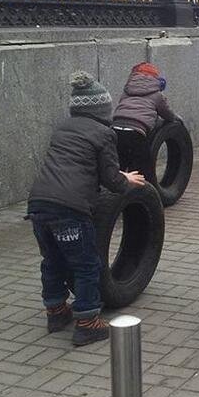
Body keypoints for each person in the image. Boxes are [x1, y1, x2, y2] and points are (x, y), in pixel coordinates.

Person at [27, 72, 145, 346]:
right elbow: (111, 180)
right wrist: (126, 180)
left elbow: (71, 165)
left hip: (39, 204)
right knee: (87, 264)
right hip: (70, 209)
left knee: (52, 260)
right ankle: (88, 322)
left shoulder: (62, 129)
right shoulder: (104, 134)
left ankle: (56, 312)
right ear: (103, 109)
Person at [112, 62, 178, 175]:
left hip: (116, 128)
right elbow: (167, 114)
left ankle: (117, 185)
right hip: (136, 132)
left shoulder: (126, 92)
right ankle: (138, 185)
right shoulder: (157, 95)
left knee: (119, 167)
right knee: (140, 169)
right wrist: (176, 119)